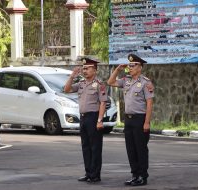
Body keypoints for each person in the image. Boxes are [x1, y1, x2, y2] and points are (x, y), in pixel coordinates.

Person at [107, 53, 154, 186]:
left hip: (140, 119)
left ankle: (142, 176)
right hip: (128, 120)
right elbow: (110, 82)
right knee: (131, 149)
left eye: (133, 65)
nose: (130, 68)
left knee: (141, 149)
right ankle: (135, 175)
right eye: (129, 65)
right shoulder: (126, 80)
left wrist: (147, 122)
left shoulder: (145, 82)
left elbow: (149, 104)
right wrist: (117, 69)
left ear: (140, 67)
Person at [64, 58, 108, 183]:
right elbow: (66, 89)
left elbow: (103, 103)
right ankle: (88, 173)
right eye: (83, 68)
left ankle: (95, 175)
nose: (85, 70)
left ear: (95, 70)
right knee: (86, 147)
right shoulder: (81, 83)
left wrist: (100, 120)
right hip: (83, 118)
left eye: (87, 68)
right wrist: (72, 76)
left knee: (95, 147)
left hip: (93, 117)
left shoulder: (99, 84)